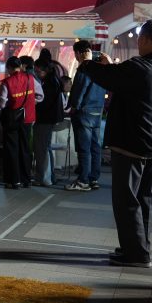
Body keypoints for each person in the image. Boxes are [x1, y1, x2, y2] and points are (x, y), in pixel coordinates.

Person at [77, 19, 152, 269]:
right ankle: (139, 246)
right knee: (145, 199)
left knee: (127, 200)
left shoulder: (138, 67)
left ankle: (136, 254)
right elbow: (124, 80)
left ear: (145, 39)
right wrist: (110, 67)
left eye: (139, 39)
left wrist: (87, 62)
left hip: (132, 143)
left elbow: (109, 78)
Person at [0, 56, 40, 189]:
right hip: (27, 118)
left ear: (9, 68)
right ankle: (26, 179)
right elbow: (40, 96)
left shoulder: (7, 82)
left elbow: (1, 102)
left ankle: (14, 180)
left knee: (11, 148)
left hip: (12, 119)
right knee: (25, 148)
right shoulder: (31, 79)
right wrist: (29, 103)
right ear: (20, 66)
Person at [66, 41, 106, 192]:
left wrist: (73, 107)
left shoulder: (85, 67)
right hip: (97, 110)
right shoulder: (100, 67)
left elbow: (79, 89)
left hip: (84, 111)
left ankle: (83, 180)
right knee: (95, 146)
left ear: (78, 53)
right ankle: (93, 178)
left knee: (84, 147)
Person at [32, 56, 64, 187]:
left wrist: (34, 104)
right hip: (49, 118)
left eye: (37, 71)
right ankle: (48, 177)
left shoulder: (49, 83)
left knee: (42, 148)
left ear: (44, 70)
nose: (36, 73)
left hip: (44, 119)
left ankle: (43, 178)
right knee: (45, 148)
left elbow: (44, 103)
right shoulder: (53, 80)